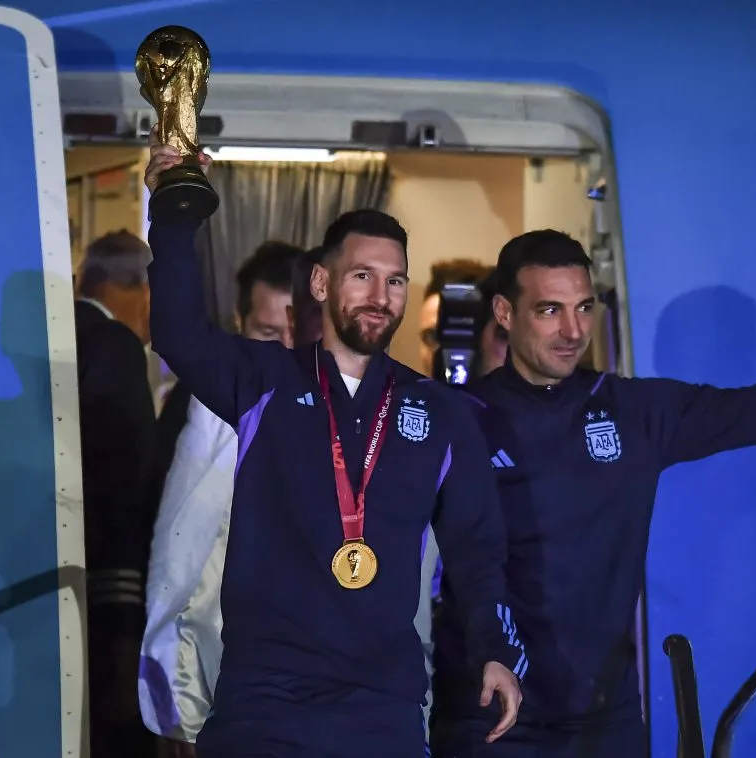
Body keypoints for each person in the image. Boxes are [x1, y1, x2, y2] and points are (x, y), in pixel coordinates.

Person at [430, 196, 756, 757]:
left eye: (584, 308)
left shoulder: (633, 410)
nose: (572, 330)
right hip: (491, 712)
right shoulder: (457, 419)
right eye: (549, 310)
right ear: (505, 314)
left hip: (605, 718)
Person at [142, 126, 525, 758]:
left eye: (396, 281)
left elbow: (477, 546)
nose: (381, 297)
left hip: (383, 708)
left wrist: (494, 651)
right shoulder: (262, 381)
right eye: (363, 277)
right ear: (321, 284)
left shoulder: (440, 412)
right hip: (263, 702)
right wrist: (174, 212)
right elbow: (179, 332)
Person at [139, 240, 307, 754]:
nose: (283, 348)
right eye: (266, 333)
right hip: (215, 677)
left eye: (295, 333)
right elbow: (172, 553)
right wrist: (178, 695)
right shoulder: (200, 408)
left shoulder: (352, 411)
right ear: (239, 321)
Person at [73, 230, 159, 758]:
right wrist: (127, 628)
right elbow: (125, 488)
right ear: (142, 292)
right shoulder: (115, 346)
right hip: (102, 597)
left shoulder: (57, 335)